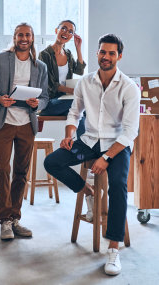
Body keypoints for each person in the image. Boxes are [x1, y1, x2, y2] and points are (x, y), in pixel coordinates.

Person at [44, 34, 140, 275]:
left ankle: (114, 250)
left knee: (118, 185)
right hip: (88, 141)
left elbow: (130, 133)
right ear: (96, 53)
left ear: (119, 56)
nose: (105, 57)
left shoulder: (129, 87)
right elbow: (74, 114)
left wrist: (106, 158)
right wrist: (69, 134)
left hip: (116, 145)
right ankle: (88, 192)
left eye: (111, 53)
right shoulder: (85, 82)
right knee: (52, 162)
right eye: (102, 52)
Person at [0, 22, 48, 240]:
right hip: (4, 121)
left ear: (33, 38)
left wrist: (37, 104)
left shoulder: (40, 66)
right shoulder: (0, 58)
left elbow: (45, 97)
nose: (24, 38)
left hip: (27, 123)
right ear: (14, 37)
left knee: (21, 171)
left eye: (27, 35)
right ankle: (4, 220)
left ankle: (15, 217)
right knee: (2, 170)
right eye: (20, 35)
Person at [39, 20, 86, 137]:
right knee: (78, 102)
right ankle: (85, 146)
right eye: (63, 28)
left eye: (71, 31)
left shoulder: (68, 54)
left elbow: (79, 71)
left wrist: (78, 48)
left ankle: (84, 146)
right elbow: (51, 84)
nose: (66, 32)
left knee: (82, 113)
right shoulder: (45, 55)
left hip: (65, 101)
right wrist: (74, 91)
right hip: (49, 103)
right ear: (56, 30)